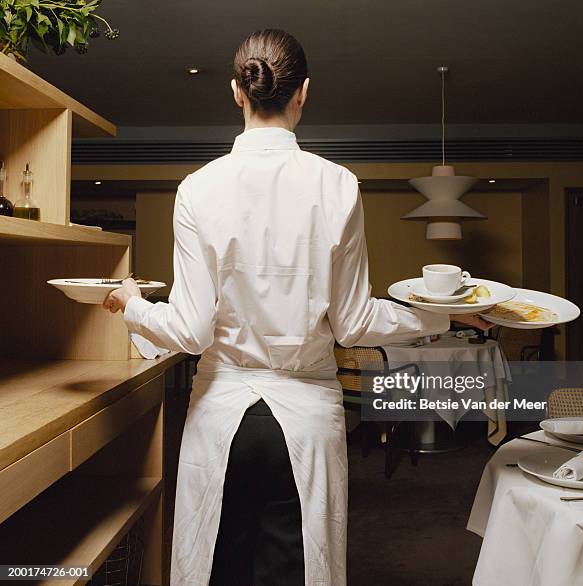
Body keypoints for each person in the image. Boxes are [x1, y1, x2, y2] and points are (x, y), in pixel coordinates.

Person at [104, 29, 490, 586]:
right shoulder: (338, 186)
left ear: (237, 92)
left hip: (221, 417)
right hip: (306, 420)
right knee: (297, 569)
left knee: (218, 566)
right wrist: (441, 314)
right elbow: (356, 323)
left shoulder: (197, 189)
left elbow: (189, 331)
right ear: (303, 92)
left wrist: (135, 305)